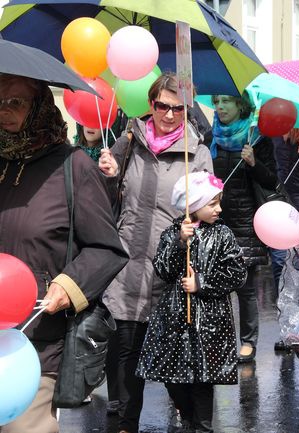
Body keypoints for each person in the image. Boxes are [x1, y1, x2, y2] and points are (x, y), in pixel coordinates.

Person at [0, 73, 128, 433]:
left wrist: (70, 285)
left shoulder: (72, 167)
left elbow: (107, 249)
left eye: (16, 102)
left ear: (39, 105)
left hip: (38, 340)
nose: (4, 111)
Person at [99, 72, 213, 433]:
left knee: (172, 364)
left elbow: (210, 210)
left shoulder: (198, 152)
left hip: (172, 270)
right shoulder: (129, 141)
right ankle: (125, 425)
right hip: (129, 267)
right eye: (162, 105)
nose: (168, 114)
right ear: (151, 104)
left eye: (178, 108)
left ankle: (191, 418)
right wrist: (108, 173)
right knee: (127, 358)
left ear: (187, 109)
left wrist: (193, 230)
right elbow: (103, 193)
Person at [136, 172, 247, 433]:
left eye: (220, 202)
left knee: (203, 381)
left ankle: (202, 426)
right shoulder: (173, 232)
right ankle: (187, 415)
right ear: (192, 205)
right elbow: (162, 269)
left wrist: (202, 283)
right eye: (212, 203)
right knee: (173, 378)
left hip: (210, 321)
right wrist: (179, 243)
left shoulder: (223, 234)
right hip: (174, 319)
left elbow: (237, 273)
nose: (219, 209)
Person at [210, 93, 278, 363]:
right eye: (217, 102)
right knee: (215, 287)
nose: (220, 107)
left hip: (246, 221)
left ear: (241, 105)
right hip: (217, 220)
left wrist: (253, 163)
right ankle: (220, 340)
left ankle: (248, 342)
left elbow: (272, 179)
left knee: (245, 287)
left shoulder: (257, 138)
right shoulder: (211, 136)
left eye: (226, 101)